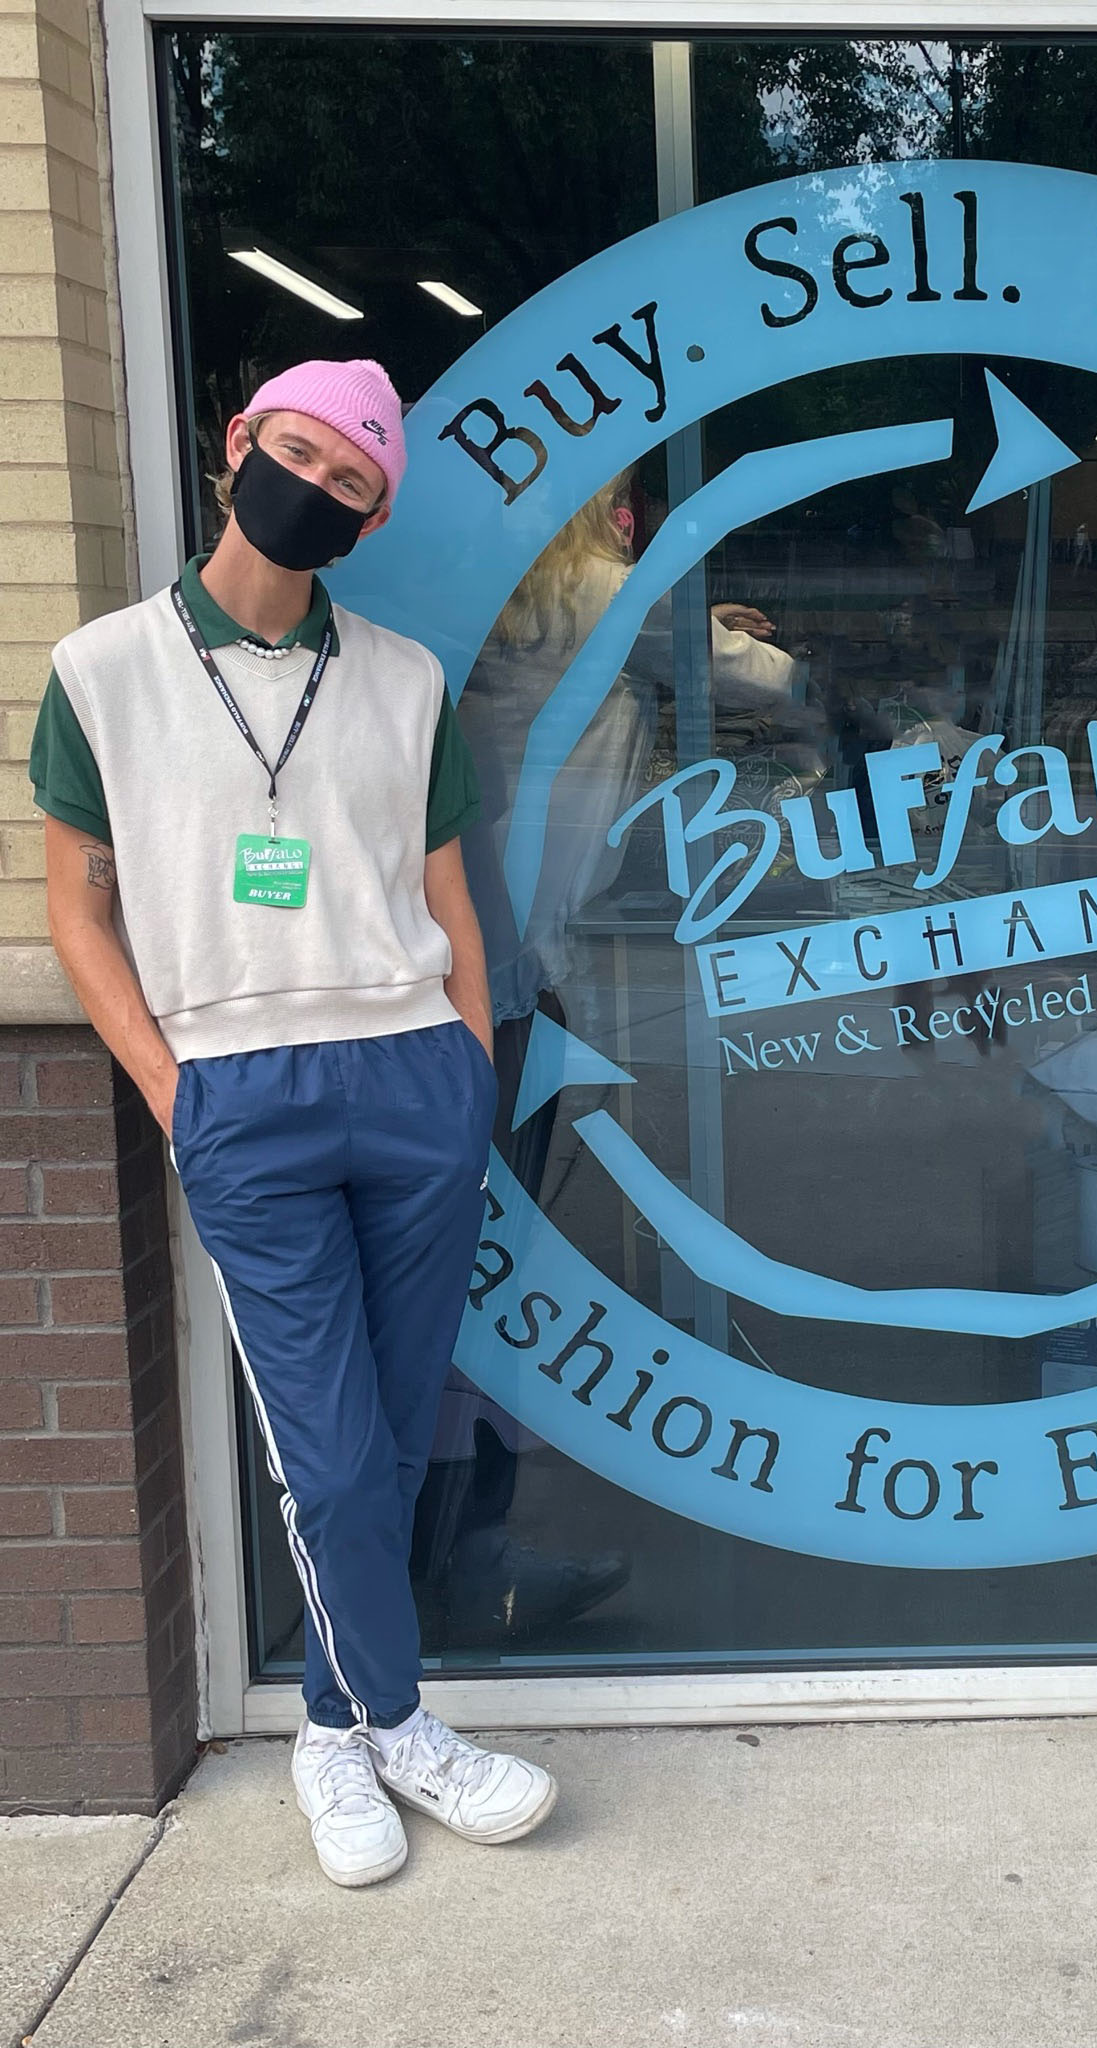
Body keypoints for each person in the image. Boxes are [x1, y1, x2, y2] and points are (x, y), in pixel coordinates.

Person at [31, 359, 557, 1889]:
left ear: (373, 518)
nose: (314, 491)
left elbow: (449, 895)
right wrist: (170, 1085)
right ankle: (398, 1723)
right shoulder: (103, 671)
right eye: (298, 455)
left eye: (352, 485)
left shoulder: (402, 680)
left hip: (411, 1076)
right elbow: (76, 908)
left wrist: (466, 1068)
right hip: (239, 1091)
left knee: (396, 1433)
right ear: (235, 449)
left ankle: (335, 1733)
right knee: (326, 1453)